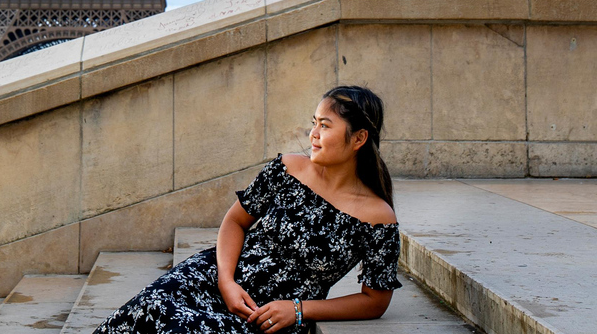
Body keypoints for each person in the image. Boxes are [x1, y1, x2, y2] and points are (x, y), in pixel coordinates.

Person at [92, 85, 402, 333]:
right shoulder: (287, 168)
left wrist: (297, 309)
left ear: (359, 138)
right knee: (153, 305)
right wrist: (226, 281)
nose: (313, 134)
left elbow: (374, 301)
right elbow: (235, 221)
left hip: (267, 312)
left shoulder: (377, 217)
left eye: (325, 126)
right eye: (314, 123)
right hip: (218, 275)